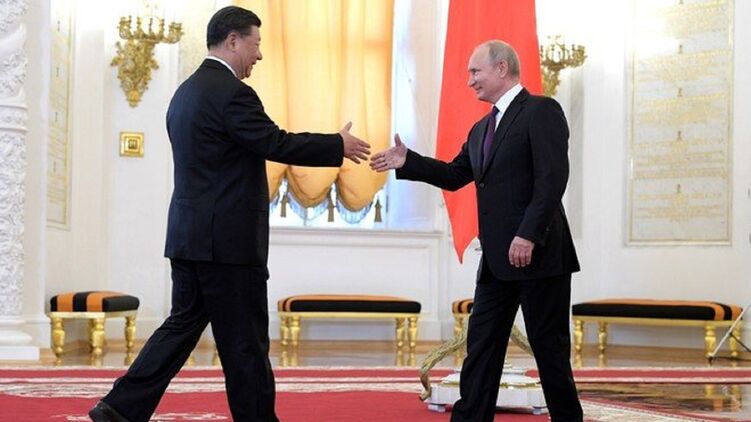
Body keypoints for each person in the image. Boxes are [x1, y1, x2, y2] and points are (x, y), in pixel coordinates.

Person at [89, 6, 370, 422]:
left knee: (181, 328)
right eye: (256, 44)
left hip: (189, 237)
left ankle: (118, 408)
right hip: (228, 246)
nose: (259, 55)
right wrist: (335, 144)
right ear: (233, 40)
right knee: (245, 343)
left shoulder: (184, 93)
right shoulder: (232, 92)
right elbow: (274, 142)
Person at [371, 40, 583, 422]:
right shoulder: (482, 128)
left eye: (475, 71)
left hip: (540, 255)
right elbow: (455, 175)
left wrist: (528, 234)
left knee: (550, 353)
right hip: (497, 261)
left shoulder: (541, 111)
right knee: (481, 348)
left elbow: (552, 179)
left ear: (501, 68)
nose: (469, 80)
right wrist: (409, 161)